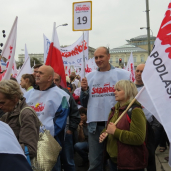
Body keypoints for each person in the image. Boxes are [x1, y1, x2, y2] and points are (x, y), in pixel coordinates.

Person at [80, 46, 130, 171]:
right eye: (96, 57)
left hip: (116, 124)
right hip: (95, 126)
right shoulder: (89, 77)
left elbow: (128, 98)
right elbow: (84, 103)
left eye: (101, 56)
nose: (98, 59)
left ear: (108, 56)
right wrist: (84, 90)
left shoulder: (122, 74)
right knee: (95, 162)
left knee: (116, 160)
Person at [24, 65, 70, 171]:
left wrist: (41, 136)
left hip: (49, 141)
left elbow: (60, 122)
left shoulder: (61, 96)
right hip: (29, 140)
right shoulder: (27, 95)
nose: (37, 74)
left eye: (41, 73)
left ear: (49, 78)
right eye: (37, 72)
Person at [99, 80, 148, 171]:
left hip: (129, 164)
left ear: (128, 93)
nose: (114, 92)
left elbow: (139, 138)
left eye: (118, 90)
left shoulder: (136, 111)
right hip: (114, 161)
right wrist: (105, 133)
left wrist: (115, 132)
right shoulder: (115, 109)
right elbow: (109, 128)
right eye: (115, 90)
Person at [0, 80, 40, 159]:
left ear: (15, 98)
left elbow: (30, 149)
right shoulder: (7, 114)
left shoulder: (26, 114)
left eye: (2, 103)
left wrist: (6, 146)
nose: (0, 106)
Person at [135, 63, 162, 171]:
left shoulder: (153, 89)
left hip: (150, 128)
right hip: (134, 129)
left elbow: (158, 110)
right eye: (137, 71)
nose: (139, 74)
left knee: (149, 157)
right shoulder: (129, 88)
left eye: (142, 71)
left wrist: (155, 129)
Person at [54, 72, 80, 171]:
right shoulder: (43, 94)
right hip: (50, 135)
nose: (54, 82)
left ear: (60, 81)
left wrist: (71, 129)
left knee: (68, 161)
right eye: (53, 80)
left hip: (65, 134)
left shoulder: (66, 94)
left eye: (57, 80)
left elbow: (75, 113)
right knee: (54, 162)